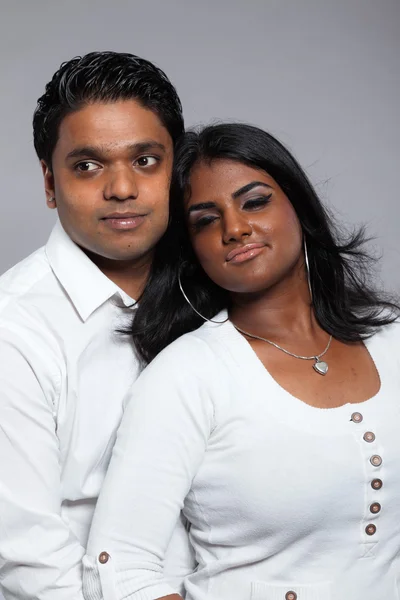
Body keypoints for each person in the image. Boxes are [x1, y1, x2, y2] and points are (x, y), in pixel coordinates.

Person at [83, 123, 400, 600]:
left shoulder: (390, 335)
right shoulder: (187, 376)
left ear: (299, 206)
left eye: (255, 202)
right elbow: (120, 569)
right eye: (206, 221)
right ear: (191, 249)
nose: (235, 229)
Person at [0, 51, 195, 600]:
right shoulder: (14, 330)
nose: (122, 189)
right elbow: (29, 563)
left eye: (146, 161)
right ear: (48, 181)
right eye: (87, 166)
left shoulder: (220, 291)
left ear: (175, 169)